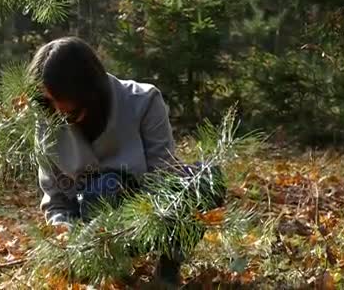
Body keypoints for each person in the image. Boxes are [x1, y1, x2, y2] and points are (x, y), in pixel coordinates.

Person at [27, 36, 213, 287]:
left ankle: (167, 271)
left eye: (67, 108)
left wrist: (139, 220)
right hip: (85, 235)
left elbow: (165, 177)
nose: (57, 111)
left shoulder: (144, 101)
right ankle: (105, 272)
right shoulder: (45, 120)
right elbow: (56, 201)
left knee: (205, 180)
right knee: (100, 190)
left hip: (143, 215)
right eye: (48, 103)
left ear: (89, 91)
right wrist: (69, 238)